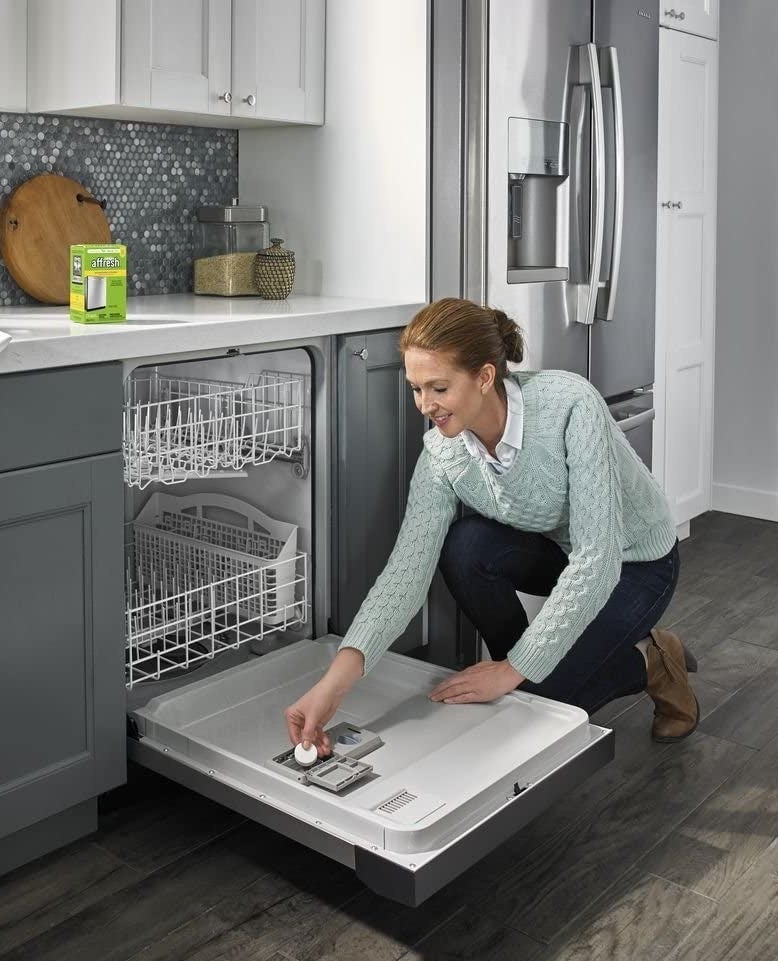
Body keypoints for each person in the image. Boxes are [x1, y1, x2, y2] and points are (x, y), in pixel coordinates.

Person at [284, 297, 698, 758]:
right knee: (466, 547)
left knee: (542, 702)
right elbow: (404, 575)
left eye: (438, 388)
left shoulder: (568, 403)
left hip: (636, 561)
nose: (425, 405)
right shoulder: (443, 455)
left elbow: (596, 562)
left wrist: (511, 671)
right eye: (416, 389)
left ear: (483, 377)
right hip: (560, 552)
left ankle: (652, 660)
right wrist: (333, 686)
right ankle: (526, 673)